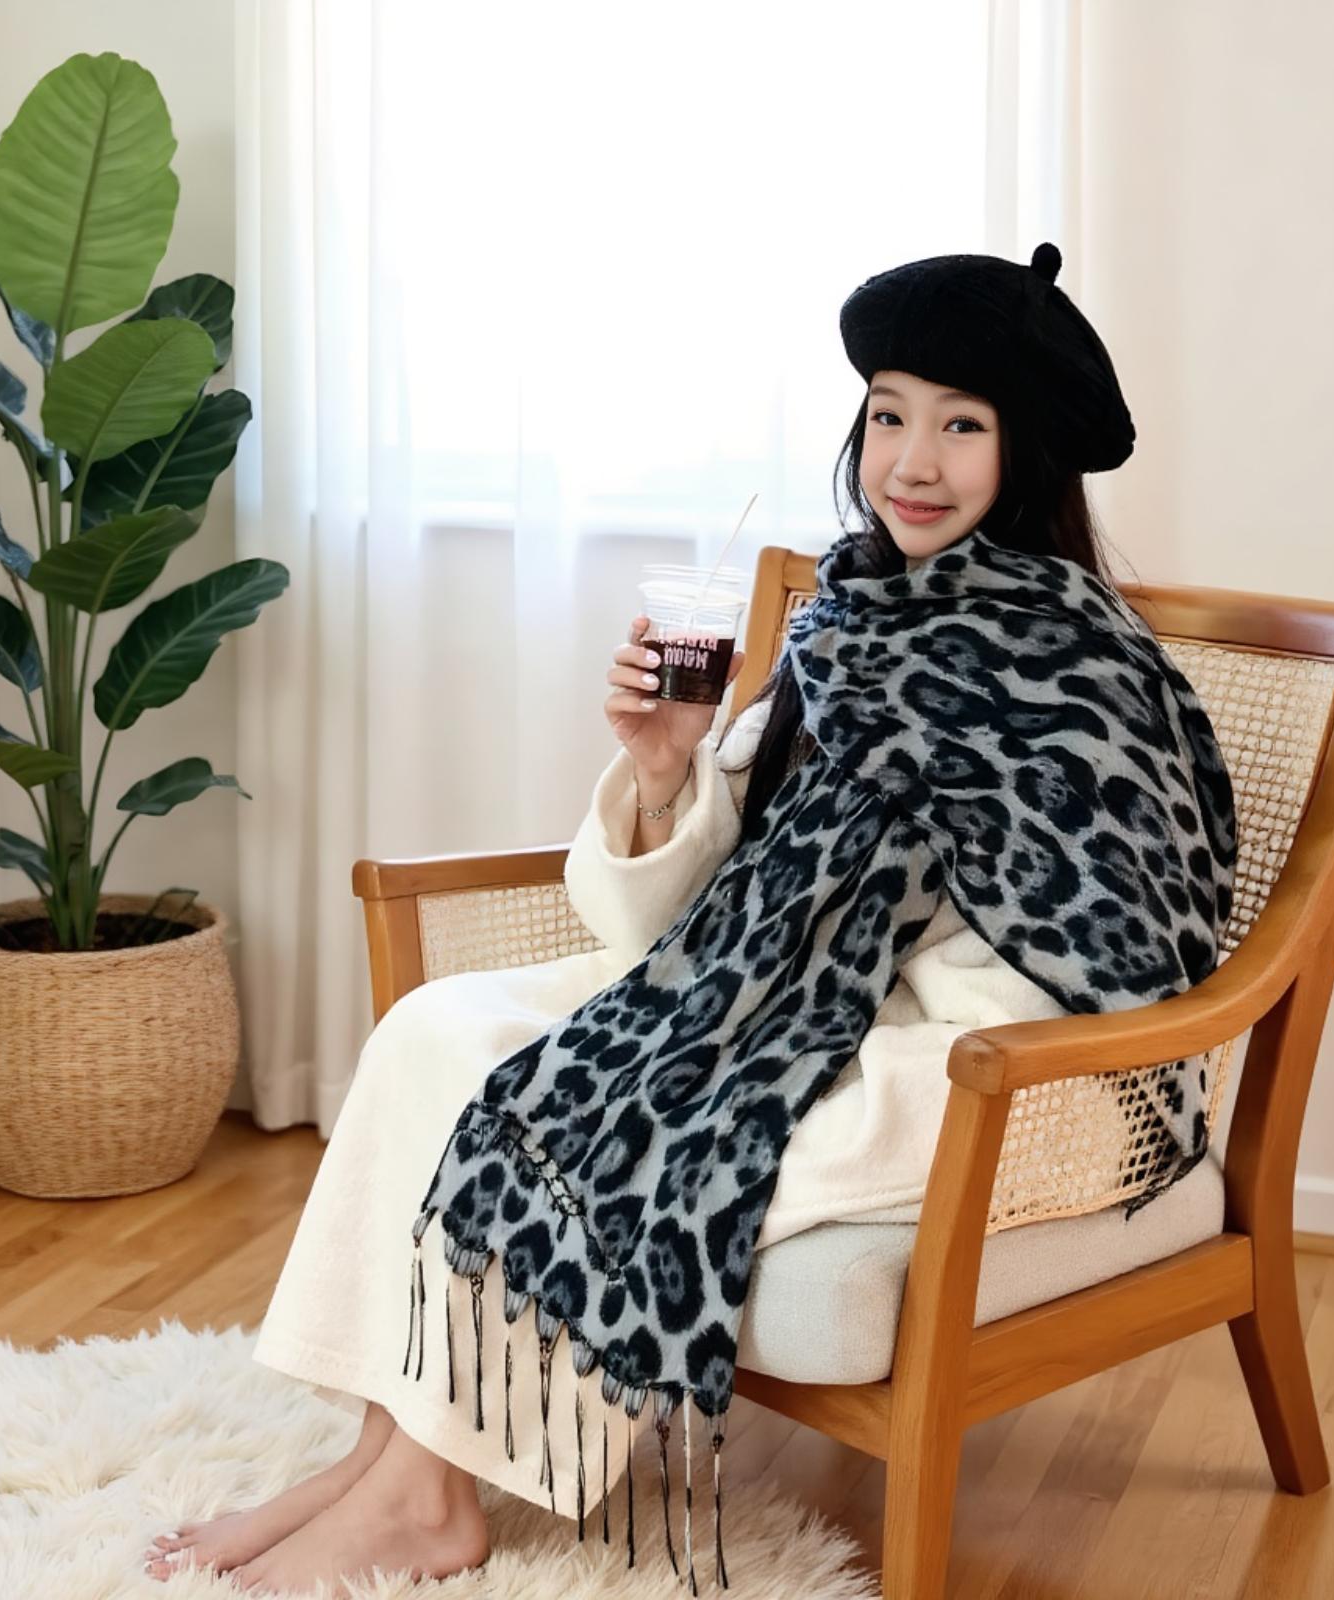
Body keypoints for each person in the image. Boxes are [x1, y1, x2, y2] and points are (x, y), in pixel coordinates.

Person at [143, 244, 1231, 1595]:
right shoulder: (849, 619)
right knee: (438, 1030)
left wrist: (817, 997)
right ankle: (385, 1459)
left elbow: (1115, 952)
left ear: (1028, 454)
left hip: (979, 1071)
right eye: (890, 414)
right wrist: (667, 768)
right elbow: (696, 904)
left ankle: (426, 1503)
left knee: (602, 1104)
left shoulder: (1082, 669)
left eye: (962, 425)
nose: (912, 461)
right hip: (767, 992)